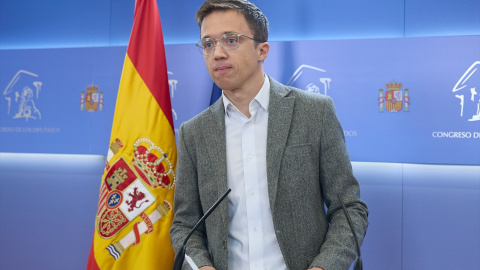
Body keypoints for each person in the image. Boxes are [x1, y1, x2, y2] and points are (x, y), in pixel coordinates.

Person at [170, 1, 369, 269]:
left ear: (262, 50)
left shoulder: (314, 112)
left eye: (230, 40)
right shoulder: (194, 132)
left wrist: (323, 267)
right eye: (208, 44)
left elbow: (350, 210)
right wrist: (202, 267)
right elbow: (184, 225)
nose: (217, 53)